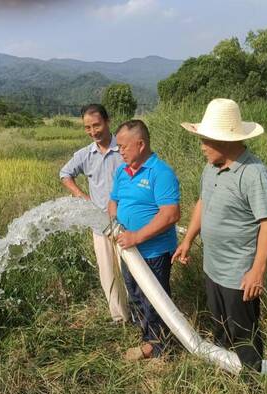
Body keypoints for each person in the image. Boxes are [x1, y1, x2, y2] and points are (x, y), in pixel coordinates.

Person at [172, 98, 267, 372]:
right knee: (219, 325)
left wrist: (257, 271)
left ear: (226, 141)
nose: (202, 147)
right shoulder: (211, 169)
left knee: (244, 333)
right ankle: (223, 370)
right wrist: (188, 240)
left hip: (238, 274)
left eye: (207, 140)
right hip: (213, 268)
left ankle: (252, 386)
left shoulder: (254, 174)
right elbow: (202, 203)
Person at [108, 119, 181, 360]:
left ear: (140, 145)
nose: (120, 152)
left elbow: (170, 214)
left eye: (123, 147)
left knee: (156, 301)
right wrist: (114, 223)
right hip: (129, 251)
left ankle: (163, 352)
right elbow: (113, 201)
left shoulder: (161, 173)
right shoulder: (122, 172)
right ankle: (149, 343)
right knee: (136, 297)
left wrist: (137, 236)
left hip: (154, 253)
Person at [59, 104, 129, 323]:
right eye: (87, 127)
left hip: (128, 224)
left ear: (108, 121)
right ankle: (120, 319)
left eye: (96, 125)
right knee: (108, 272)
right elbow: (65, 174)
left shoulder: (124, 148)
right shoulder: (85, 155)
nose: (93, 131)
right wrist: (82, 196)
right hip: (100, 225)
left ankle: (139, 315)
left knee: (131, 272)